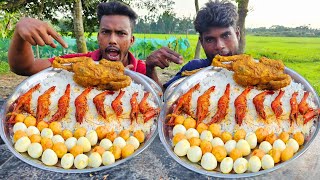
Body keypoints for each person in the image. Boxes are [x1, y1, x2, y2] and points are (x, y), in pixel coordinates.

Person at [8, 1, 183, 88]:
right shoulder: (80, 64)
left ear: (131, 40)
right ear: (99, 36)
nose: (112, 40)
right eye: (106, 32)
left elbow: (158, 101)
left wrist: (150, 69)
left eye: (121, 33)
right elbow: (24, 67)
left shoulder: (142, 70)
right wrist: (20, 32)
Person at [163, 0, 240, 89]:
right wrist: (150, 68)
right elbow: (164, 95)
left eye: (226, 35)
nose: (219, 46)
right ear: (202, 42)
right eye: (210, 40)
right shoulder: (193, 69)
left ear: (237, 34)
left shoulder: (255, 71)